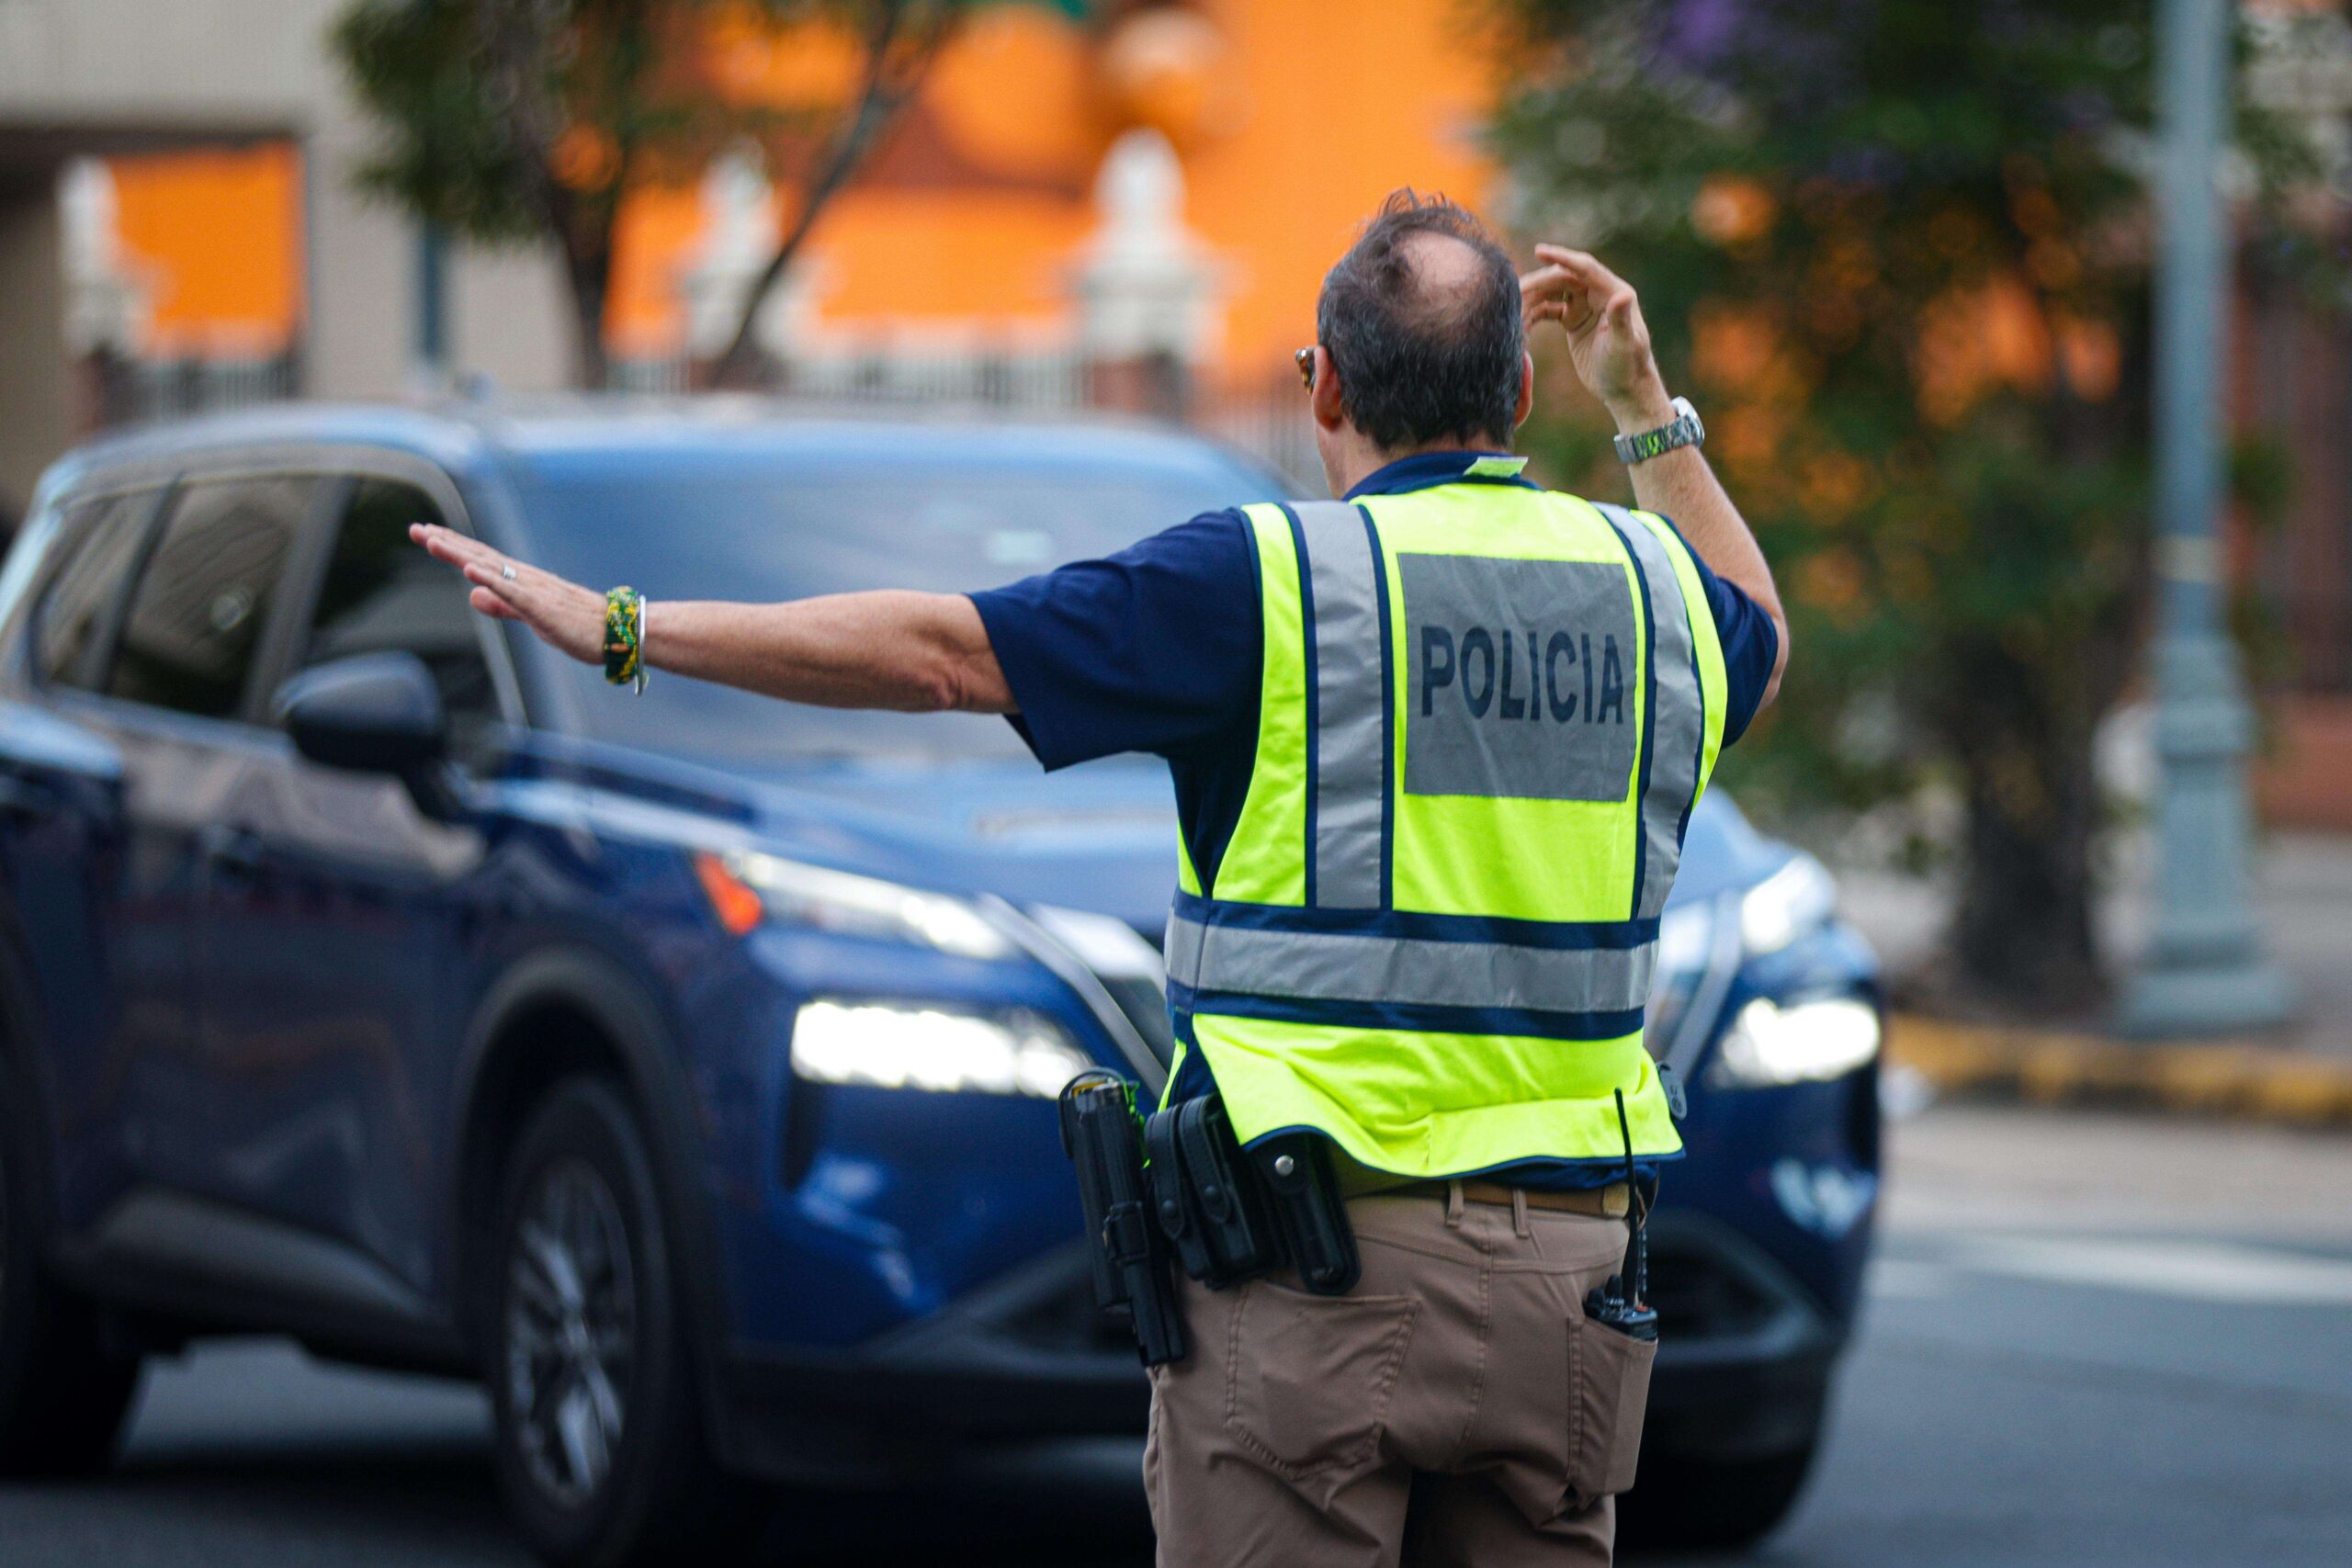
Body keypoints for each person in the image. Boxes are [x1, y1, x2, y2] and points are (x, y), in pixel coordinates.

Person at [415, 190, 1787, 1568]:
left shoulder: (1272, 581)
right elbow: (1763, 645)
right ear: (1524, 389)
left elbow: (941, 654)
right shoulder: (1647, 587)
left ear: (1326, 391)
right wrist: (1650, 410)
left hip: (1321, 1281)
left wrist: (626, 629)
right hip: (1569, 1285)